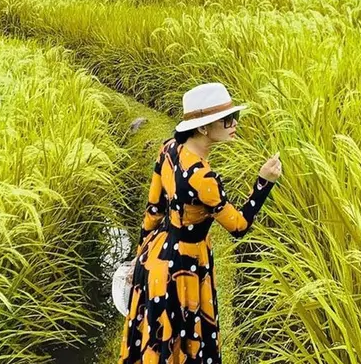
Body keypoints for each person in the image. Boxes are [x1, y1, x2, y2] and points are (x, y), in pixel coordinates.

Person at [118, 82, 282, 364]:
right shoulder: (203, 178)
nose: (234, 124)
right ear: (204, 127)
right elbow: (239, 226)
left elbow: (153, 211)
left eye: (235, 117)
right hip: (186, 267)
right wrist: (264, 183)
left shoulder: (169, 150)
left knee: (158, 342)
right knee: (191, 341)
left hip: (155, 260)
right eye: (227, 120)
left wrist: (138, 258)